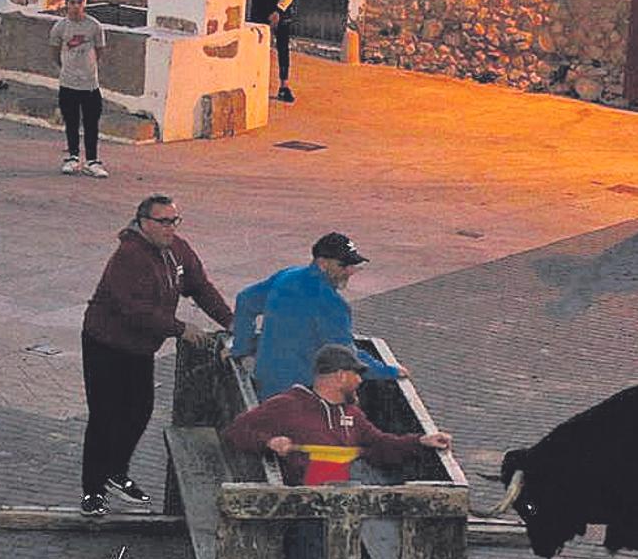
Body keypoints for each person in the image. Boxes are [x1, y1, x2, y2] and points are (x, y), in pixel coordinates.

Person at [79, 195, 235, 516]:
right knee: (104, 416)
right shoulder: (129, 256)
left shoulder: (178, 250)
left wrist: (232, 321)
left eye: (174, 221)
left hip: (139, 347)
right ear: (144, 223)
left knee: (139, 411)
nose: (170, 228)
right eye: (163, 222)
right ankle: (93, 490)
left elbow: (200, 287)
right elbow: (134, 310)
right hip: (106, 343)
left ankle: (115, 472)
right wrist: (179, 329)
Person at [223, 343, 451, 486]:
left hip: (340, 499)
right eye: (357, 374)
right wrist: (268, 442)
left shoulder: (352, 414)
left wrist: (421, 441)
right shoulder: (289, 405)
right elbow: (236, 431)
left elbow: (379, 444)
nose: (360, 381)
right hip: (304, 507)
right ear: (341, 376)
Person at [230, 233, 407, 401]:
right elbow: (346, 357)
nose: (350, 271)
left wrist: (242, 348)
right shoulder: (332, 304)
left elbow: (245, 300)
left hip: (266, 382)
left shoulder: (286, 277)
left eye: (354, 265)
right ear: (323, 263)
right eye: (343, 265)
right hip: (303, 393)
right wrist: (388, 371)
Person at [49, 0, 108, 178]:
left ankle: (92, 160)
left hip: (90, 85)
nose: (75, 7)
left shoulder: (94, 26)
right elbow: (54, 52)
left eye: (79, 3)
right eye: (72, 3)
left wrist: (87, 68)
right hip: (68, 84)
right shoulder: (60, 27)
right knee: (71, 122)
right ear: (66, 5)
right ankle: (73, 157)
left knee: (91, 123)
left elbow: (99, 51)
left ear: (84, 4)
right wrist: (68, 68)